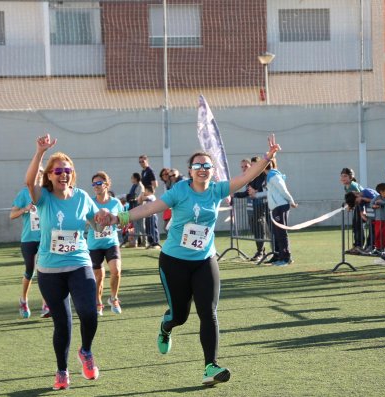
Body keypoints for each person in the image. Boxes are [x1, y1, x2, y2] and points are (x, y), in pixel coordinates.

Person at [98, 134, 281, 386]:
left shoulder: (217, 190)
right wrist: (120, 218)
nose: (203, 170)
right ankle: (166, 326)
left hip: (205, 260)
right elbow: (150, 208)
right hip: (174, 261)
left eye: (207, 166)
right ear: (190, 170)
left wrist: (266, 158)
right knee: (180, 316)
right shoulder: (180, 190)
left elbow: (245, 178)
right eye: (198, 166)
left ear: (212, 170)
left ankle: (210, 366)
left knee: (209, 312)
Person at [26, 133, 108, 390]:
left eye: (68, 170)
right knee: (62, 323)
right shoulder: (44, 198)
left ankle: (85, 351)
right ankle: (62, 371)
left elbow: (96, 225)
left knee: (89, 312)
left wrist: (105, 219)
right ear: (49, 175)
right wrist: (40, 151)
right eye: (58, 171)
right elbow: (29, 181)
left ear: (73, 174)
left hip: (79, 263)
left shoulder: (83, 197)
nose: (63, 174)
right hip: (50, 270)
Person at [10, 167, 50, 319]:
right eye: (36, 176)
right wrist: (25, 209)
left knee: (44, 271)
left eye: (41, 176)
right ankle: (24, 300)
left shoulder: (47, 193)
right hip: (28, 238)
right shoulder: (23, 194)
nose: (38, 178)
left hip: (45, 238)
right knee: (30, 271)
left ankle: (45, 304)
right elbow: (12, 215)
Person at [88, 171, 124, 316]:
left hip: (111, 242)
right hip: (94, 244)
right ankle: (98, 302)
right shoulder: (90, 202)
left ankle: (114, 298)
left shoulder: (115, 202)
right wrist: (96, 220)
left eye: (99, 183)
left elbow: (121, 220)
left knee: (116, 270)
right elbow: (85, 220)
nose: (96, 186)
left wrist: (119, 222)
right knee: (99, 276)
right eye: (94, 184)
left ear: (106, 185)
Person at [263, 158, 297, 266]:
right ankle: (281, 257)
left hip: (280, 206)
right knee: (277, 233)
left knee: (281, 233)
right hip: (276, 207)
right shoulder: (270, 176)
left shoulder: (274, 175)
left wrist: (291, 200)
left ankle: (286, 258)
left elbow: (283, 189)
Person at [233, 157, 267, 261]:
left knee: (260, 229)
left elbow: (258, 190)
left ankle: (262, 252)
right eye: (242, 167)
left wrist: (254, 191)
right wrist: (234, 194)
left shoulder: (262, 175)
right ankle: (261, 250)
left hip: (261, 206)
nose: (244, 169)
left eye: (247, 166)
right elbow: (248, 192)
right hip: (251, 208)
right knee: (254, 229)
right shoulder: (249, 177)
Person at [340, 168, 364, 253]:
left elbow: (358, 198)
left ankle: (359, 246)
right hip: (357, 208)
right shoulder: (346, 187)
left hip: (362, 207)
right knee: (355, 226)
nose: (343, 178)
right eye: (342, 176)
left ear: (351, 177)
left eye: (345, 176)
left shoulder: (353, 185)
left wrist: (351, 206)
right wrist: (350, 205)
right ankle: (356, 245)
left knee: (358, 226)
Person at [370, 183, 385, 255]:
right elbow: (371, 203)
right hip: (378, 219)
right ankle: (378, 248)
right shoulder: (377, 197)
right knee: (378, 233)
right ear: (381, 191)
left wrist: (381, 202)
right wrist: (374, 206)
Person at [124, 172, 145, 248]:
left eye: (132, 178)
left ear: (136, 178)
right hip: (134, 207)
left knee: (140, 226)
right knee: (136, 225)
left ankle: (143, 242)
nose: (131, 179)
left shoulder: (140, 186)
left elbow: (136, 197)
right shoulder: (134, 186)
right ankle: (137, 242)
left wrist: (128, 197)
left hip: (139, 208)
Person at [140, 185, 161, 249]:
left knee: (153, 229)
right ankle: (151, 242)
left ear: (148, 191)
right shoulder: (148, 197)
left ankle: (155, 243)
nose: (144, 192)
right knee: (148, 230)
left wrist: (142, 192)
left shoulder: (152, 196)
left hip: (152, 216)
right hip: (148, 216)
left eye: (145, 191)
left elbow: (143, 198)